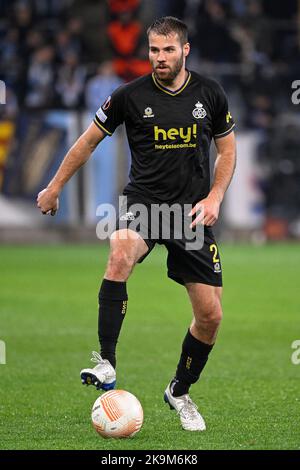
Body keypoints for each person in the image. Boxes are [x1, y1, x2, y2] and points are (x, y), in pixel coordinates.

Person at [37, 16, 236, 432]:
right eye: (153, 50)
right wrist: (54, 187)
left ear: (185, 50)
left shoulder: (210, 94)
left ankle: (179, 390)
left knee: (211, 317)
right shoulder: (128, 96)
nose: (159, 58)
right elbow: (88, 140)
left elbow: (227, 150)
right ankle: (107, 362)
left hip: (191, 214)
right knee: (120, 250)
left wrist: (215, 197)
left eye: (167, 50)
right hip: (144, 204)